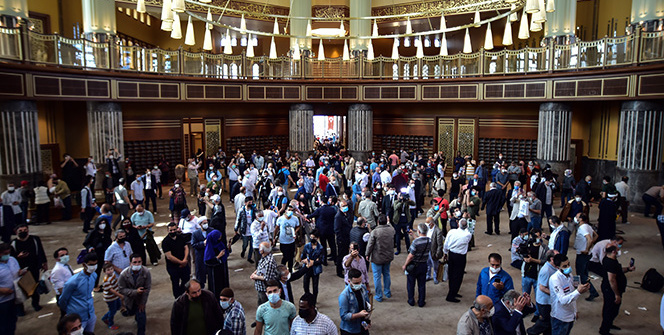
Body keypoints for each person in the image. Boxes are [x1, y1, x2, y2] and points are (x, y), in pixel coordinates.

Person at [549, 254, 590, 335]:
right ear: (558, 267)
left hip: (570, 315)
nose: (568, 267)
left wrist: (575, 312)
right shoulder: (555, 280)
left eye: (568, 264)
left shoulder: (570, 276)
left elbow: (571, 294)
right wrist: (578, 291)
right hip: (560, 317)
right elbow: (563, 300)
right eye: (564, 266)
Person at [11, 224, 47, 314]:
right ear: (16, 232)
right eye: (21, 231)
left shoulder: (35, 239)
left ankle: (36, 304)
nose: (23, 232)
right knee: (19, 289)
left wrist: (44, 262)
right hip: (20, 270)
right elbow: (11, 258)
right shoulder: (13, 243)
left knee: (34, 287)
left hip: (34, 267)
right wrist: (18, 256)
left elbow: (41, 251)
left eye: (25, 230)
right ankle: (20, 309)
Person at [58, 252, 98, 334]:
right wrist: (70, 311)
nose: (93, 267)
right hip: (77, 319)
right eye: (91, 265)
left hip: (90, 314)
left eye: (95, 264)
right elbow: (62, 300)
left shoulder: (94, 276)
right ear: (84, 265)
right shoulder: (73, 282)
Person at [599, 245, 634, 335]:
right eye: (617, 250)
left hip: (611, 289)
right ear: (614, 252)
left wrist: (628, 269)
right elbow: (612, 280)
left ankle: (609, 324)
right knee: (610, 310)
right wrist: (617, 294)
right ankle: (604, 330)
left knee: (613, 310)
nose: (619, 252)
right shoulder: (610, 263)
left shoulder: (611, 259)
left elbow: (618, 271)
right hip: (610, 290)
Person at [118, 254, 152, 335]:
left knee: (141, 318)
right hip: (129, 299)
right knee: (131, 311)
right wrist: (135, 292)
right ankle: (129, 312)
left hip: (140, 299)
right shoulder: (124, 274)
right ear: (130, 263)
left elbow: (147, 289)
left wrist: (142, 303)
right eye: (135, 262)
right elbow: (121, 289)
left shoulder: (146, 272)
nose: (137, 264)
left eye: (139, 262)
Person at [527, 250, 558, 335]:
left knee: (549, 322)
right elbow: (542, 287)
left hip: (549, 301)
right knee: (545, 321)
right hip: (544, 302)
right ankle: (531, 332)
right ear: (552, 259)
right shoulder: (546, 270)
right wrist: (556, 294)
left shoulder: (554, 268)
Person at [365, 214, 395, 302]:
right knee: (386, 274)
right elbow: (391, 227)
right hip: (388, 256)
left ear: (378, 222)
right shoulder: (391, 230)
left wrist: (367, 254)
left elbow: (370, 245)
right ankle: (387, 292)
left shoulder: (375, 232)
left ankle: (379, 296)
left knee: (377, 276)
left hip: (377, 257)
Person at [444, 218, 473, 303]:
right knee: (458, 276)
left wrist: (445, 253)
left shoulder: (452, 232)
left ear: (458, 224)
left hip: (451, 254)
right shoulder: (467, 234)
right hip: (460, 257)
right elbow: (469, 229)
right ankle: (451, 295)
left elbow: (446, 243)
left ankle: (453, 291)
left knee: (451, 274)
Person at [403, 223, 431, 307]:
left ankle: (411, 300)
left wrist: (405, 265)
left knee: (411, 284)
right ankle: (421, 301)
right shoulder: (429, 240)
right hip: (423, 264)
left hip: (414, 266)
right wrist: (413, 235)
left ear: (419, 231)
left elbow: (410, 256)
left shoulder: (415, 242)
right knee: (422, 285)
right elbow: (421, 241)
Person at [573, 213, 599, 301]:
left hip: (583, 254)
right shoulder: (588, 226)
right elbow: (596, 235)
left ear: (580, 219)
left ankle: (593, 291)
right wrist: (590, 245)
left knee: (581, 273)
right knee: (584, 272)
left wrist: (587, 248)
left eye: (577, 217)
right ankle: (582, 286)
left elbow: (590, 239)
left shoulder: (583, 227)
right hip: (586, 253)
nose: (575, 218)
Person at [339, 268, 371, 335]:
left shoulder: (363, 288)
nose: (359, 284)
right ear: (349, 281)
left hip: (362, 325)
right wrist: (359, 314)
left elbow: (366, 304)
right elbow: (344, 316)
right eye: (356, 283)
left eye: (360, 281)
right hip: (350, 330)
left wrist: (367, 320)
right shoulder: (344, 296)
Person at [163, 222, 190, 298]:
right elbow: (169, 256)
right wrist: (181, 262)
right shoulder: (165, 242)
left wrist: (185, 260)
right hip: (173, 267)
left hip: (184, 264)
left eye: (174, 230)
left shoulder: (181, 237)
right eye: (171, 230)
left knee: (186, 280)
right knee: (175, 282)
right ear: (168, 231)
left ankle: (183, 295)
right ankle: (177, 298)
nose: (173, 232)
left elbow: (186, 248)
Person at [83, 219, 112, 288]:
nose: (102, 225)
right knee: (94, 271)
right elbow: (86, 242)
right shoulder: (93, 233)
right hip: (95, 254)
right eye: (101, 223)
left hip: (104, 254)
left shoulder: (107, 232)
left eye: (104, 223)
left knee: (101, 270)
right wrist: (90, 247)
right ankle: (93, 285)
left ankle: (96, 284)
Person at [0, 242, 21, 335]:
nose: (7, 255)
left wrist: (21, 273)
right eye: (4, 254)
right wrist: (1, 290)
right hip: (2, 301)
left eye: (8, 253)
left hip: (14, 296)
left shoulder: (12, 260)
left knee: (12, 320)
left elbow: (17, 271)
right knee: (2, 323)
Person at [300, 229, 325, 302]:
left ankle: (314, 300)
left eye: (314, 238)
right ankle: (308, 299)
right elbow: (303, 256)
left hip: (315, 269)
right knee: (305, 285)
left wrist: (313, 262)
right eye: (311, 237)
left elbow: (322, 260)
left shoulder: (320, 248)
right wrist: (305, 260)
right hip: (307, 268)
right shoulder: (307, 246)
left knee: (315, 286)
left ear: (317, 238)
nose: (312, 239)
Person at [251, 241, 280, 305]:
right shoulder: (264, 257)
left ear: (263, 250)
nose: (259, 249)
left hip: (264, 288)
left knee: (264, 305)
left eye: (260, 248)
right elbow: (260, 267)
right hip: (260, 288)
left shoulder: (269, 262)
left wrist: (256, 277)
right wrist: (255, 273)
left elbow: (267, 277)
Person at [204, 229, 229, 299]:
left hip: (221, 268)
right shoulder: (209, 248)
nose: (220, 238)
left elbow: (225, 252)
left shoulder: (219, 243)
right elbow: (208, 261)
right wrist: (218, 256)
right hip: (214, 272)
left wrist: (228, 249)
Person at [275, 205, 300, 272]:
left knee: (291, 257)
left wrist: (295, 232)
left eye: (292, 210)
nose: (290, 211)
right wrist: (274, 238)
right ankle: (282, 269)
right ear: (285, 211)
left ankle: (290, 270)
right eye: (289, 210)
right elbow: (276, 228)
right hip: (283, 241)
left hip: (291, 241)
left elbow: (298, 226)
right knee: (285, 256)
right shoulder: (280, 219)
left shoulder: (295, 219)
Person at [50, 247, 73, 316]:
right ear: (57, 258)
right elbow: (60, 288)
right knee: (66, 315)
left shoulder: (66, 265)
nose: (65, 256)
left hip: (70, 292)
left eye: (66, 254)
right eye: (62, 255)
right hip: (65, 296)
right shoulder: (57, 270)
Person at [101, 262, 123, 330]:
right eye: (108, 270)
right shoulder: (106, 280)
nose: (110, 271)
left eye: (111, 269)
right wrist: (120, 295)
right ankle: (110, 324)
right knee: (112, 310)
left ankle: (105, 318)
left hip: (115, 296)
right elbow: (111, 290)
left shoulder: (113, 275)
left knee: (118, 307)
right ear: (104, 271)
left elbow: (116, 282)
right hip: (110, 298)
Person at [393, 190, 415, 255]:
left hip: (405, 221)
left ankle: (408, 249)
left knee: (406, 235)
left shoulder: (407, 202)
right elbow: (396, 208)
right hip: (398, 220)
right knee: (398, 235)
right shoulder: (396, 202)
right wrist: (401, 202)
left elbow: (413, 204)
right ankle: (398, 249)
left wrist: (409, 200)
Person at [192, 218, 212, 286]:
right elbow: (194, 244)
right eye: (204, 223)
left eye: (206, 222)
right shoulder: (195, 234)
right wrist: (203, 243)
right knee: (200, 273)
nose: (206, 224)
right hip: (200, 256)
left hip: (210, 255)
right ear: (200, 224)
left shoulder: (212, 231)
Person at [236, 196, 257, 264]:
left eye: (251, 202)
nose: (250, 203)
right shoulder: (241, 210)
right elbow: (238, 219)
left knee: (251, 245)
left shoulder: (253, 210)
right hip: (245, 229)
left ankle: (249, 257)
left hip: (252, 230)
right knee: (245, 244)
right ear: (245, 203)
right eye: (249, 202)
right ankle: (243, 250)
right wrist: (236, 228)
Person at [335, 200, 353, 277]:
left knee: (346, 254)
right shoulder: (338, 216)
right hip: (342, 240)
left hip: (347, 238)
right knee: (341, 255)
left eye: (346, 205)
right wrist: (340, 240)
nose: (346, 207)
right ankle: (339, 271)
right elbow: (337, 229)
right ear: (340, 207)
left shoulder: (347, 214)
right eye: (343, 206)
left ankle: (344, 267)